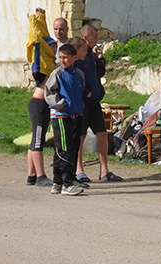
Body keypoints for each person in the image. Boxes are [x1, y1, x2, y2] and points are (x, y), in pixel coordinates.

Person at [74, 23, 122, 183]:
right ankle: (78, 170)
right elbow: (73, 77)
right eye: (95, 36)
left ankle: (104, 171)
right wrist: (84, 92)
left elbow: (98, 73)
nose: (97, 39)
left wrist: (101, 60)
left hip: (95, 102)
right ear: (86, 37)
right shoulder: (78, 54)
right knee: (80, 137)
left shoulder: (91, 54)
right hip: (82, 103)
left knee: (102, 133)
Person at [44, 42, 87, 196]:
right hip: (60, 115)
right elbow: (49, 93)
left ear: (74, 58)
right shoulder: (57, 73)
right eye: (60, 57)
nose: (62, 60)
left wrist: (79, 105)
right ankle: (66, 184)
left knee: (70, 147)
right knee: (64, 148)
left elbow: (80, 91)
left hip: (74, 115)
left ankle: (58, 182)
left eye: (66, 58)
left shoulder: (79, 74)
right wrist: (62, 104)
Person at [25, 8, 56, 188]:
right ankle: (40, 176)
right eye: (51, 46)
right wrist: (34, 20)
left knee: (36, 139)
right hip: (39, 104)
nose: (53, 47)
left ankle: (31, 175)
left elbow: (44, 35)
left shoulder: (50, 61)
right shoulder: (41, 65)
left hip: (42, 104)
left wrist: (42, 17)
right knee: (38, 140)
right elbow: (38, 39)